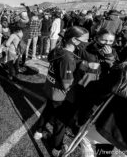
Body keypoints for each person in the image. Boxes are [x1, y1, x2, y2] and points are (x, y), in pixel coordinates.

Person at [33, 26, 89, 157]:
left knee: (48, 110)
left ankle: (39, 131)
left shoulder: (58, 48)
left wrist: (78, 62)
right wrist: (82, 79)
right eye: (85, 39)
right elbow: (66, 84)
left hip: (49, 89)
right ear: (75, 40)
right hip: (60, 95)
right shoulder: (67, 58)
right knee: (61, 122)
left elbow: (59, 64)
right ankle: (57, 148)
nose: (87, 42)